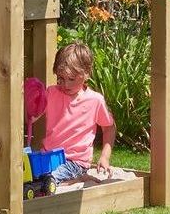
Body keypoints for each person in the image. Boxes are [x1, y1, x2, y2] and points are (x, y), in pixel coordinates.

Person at [39, 42, 116, 184]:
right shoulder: (51, 93)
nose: (65, 84)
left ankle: (79, 178)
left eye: (71, 79)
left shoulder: (95, 100)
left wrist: (104, 157)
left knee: (49, 181)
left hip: (75, 162)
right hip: (48, 157)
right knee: (31, 178)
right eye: (61, 78)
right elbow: (33, 115)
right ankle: (72, 180)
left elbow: (109, 127)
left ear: (86, 73)